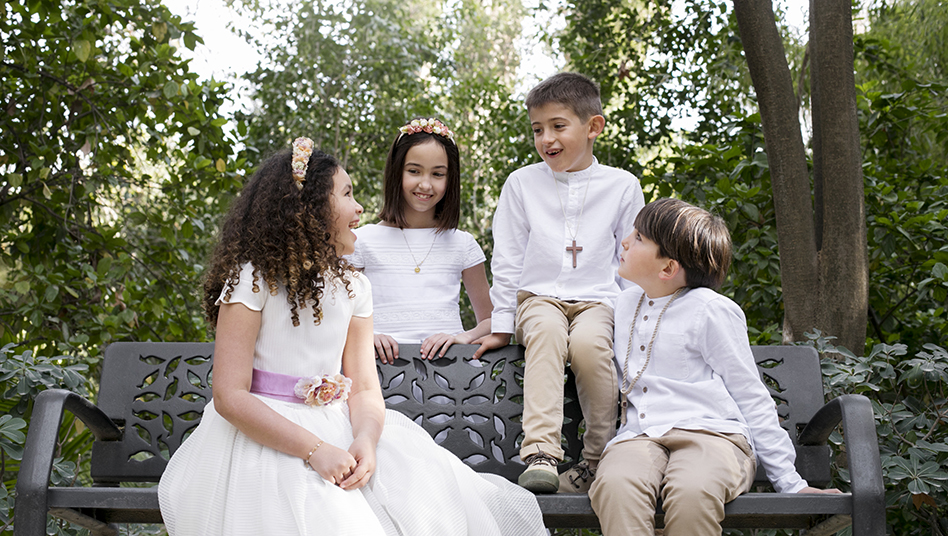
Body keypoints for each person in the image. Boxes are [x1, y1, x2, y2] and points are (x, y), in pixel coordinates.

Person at [157, 138, 545, 535]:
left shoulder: (354, 287)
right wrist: (315, 450)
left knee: (429, 500)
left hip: (339, 426)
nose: (359, 207)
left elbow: (361, 388)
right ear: (307, 209)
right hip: (264, 436)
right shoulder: (253, 279)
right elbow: (229, 396)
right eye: (346, 194)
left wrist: (366, 439)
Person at [589, 197, 841, 535]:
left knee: (692, 492)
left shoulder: (710, 310)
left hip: (713, 437)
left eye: (638, 238)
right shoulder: (623, 304)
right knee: (616, 486)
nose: (624, 240)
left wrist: (789, 482)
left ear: (668, 268)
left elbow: (750, 394)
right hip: (639, 437)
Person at [482, 72, 645, 494]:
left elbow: (631, 260)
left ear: (593, 127)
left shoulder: (622, 186)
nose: (546, 139)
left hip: (599, 301)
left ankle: (599, 456)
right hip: (539, 297)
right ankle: (540, 454)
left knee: (591, 347)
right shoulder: (522, 183)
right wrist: (503, 320)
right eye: (538, 129)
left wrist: (632, 322)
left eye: (558, 126)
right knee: (549, 335)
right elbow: (509, 255)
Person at [348, 118, 495, 364]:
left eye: (438, 174)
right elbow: (337, 315)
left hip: (451, 373)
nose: (425, 184)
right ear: (396, 172)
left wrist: (463, 337)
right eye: (414, 171)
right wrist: (367, 335)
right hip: (379, 370)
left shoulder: (463, 244)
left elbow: (492, 321)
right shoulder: (361, 241)